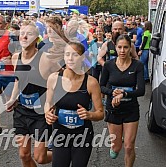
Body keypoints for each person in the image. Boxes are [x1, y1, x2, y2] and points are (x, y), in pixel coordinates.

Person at [44, 41, 104, 167]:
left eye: (75, 55)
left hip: (82, 134)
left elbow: (100, 113)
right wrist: (47, 114)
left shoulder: (91, 82)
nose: (70, 58)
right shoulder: (54, 78)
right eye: (67, 54)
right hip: (60, 133)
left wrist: (89, 115)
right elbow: (48, 103)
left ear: (82, 58)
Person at [6, 22, 52, 167]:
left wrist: (51, 105)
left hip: (40, 114)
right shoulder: (15, 57)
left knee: (40, 158)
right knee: (24, 155)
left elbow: (57, 83)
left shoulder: (45, 59)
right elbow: (18, 81)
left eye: (29, 34)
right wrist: (13, 98)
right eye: (22, 33)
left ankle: (63, 153)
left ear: (37, 39)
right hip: (21, 110)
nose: (24, 36)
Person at [100, 35, 145, 166]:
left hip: (131, 109)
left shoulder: (138, 65)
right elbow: (101, 86)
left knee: (129, 146)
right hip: (113, 109)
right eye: (119, 47)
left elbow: (141, 90)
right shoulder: (108, 65)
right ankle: (114, 146)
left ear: (130, 48)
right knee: (117, 147)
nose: (122, 50)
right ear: (115, 48)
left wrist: (124, 93)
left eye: (126, 47)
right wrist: (112, 92)